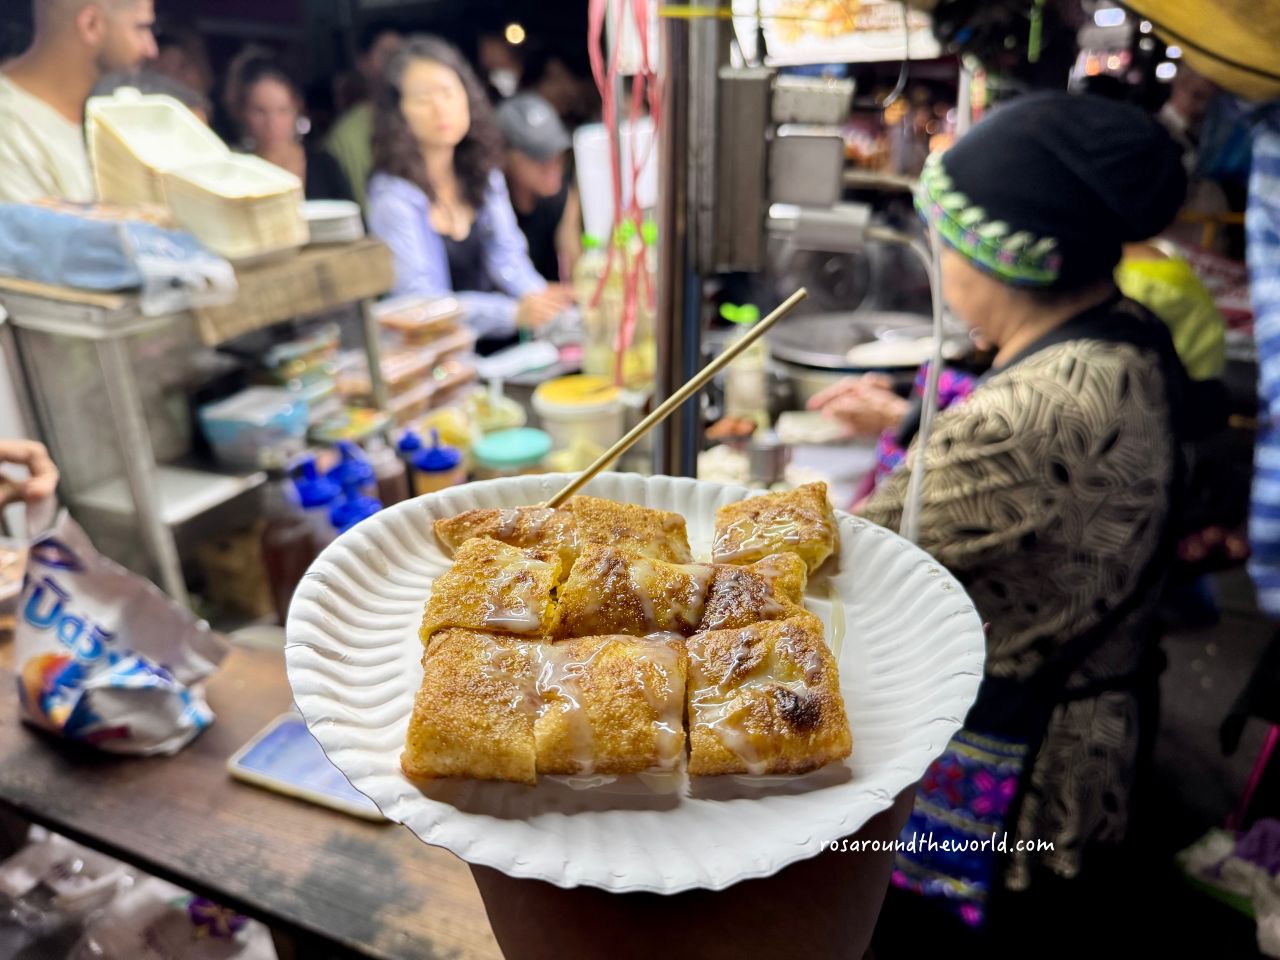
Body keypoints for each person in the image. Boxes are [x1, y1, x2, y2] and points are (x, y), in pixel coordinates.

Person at [823, 93, 1189, 949]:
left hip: (1029, 784)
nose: (937, 262)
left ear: (997, 256)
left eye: (944, 239)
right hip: (1092, 717)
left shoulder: (1035, 412)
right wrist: (906, 424)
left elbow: (846, 558)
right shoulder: (1118, 331)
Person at [367, 36, 574, 346]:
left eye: (449, 92)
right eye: (424, 98)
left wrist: (544, 302)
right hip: (439, 362)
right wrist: (512, 314)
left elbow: (509, 258)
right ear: (399, 114)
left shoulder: (484, 173)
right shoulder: (391, 196)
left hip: (500, 354)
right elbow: (420, 304)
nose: (441, 108)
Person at [0, 0, 157, 203]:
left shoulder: (124, 113)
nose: (151, 49)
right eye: (141, 28)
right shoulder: (10, 131)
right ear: (91, 25)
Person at [224, 48, 353, 202]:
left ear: (297, 110)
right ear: (242, 112)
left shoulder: (325, 166)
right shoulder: (236, 172)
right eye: (260, 111)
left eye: (282, 111)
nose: (272, 123)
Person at [496, 92, 582, 283]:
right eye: (538, 156)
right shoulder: (492, 205)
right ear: (505, 157)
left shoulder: (561, 197)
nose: (552, 165)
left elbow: (575, 271)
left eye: (557, 153)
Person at [326, 25, 402, 210]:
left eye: (401, 54)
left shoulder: (427, 118)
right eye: (386, 54)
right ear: (363, 63)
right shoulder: (346, 135)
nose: (396, 63)